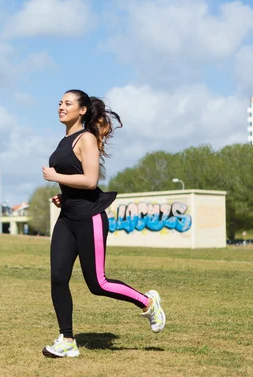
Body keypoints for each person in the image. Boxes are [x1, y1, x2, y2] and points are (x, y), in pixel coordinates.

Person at [40, 89, 166, 358]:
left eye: (68, 103)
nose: (61, 106)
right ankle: (67, 340)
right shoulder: (64, 140)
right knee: (58, 278)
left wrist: (55, 176)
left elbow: (90, 181)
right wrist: (64, 196)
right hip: (67, 218)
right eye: (60, 102)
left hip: (91, 217)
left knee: (97, 284)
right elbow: (77, 181)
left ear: (82, 110)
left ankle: (148, 302)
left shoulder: (86, 138)